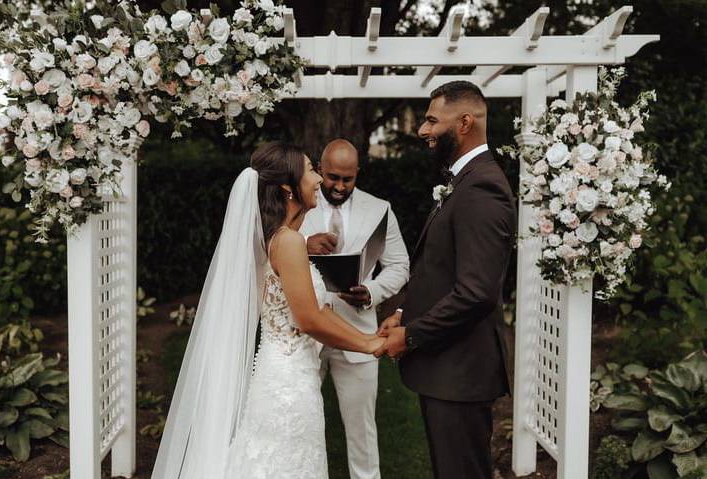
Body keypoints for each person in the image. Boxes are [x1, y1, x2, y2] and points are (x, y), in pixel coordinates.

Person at [152, 142, 386, 479]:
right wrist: (369, 345)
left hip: (288, 376)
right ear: (288, 187)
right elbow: (309, 319)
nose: (318, 178)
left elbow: (316, 309)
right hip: (287, 387)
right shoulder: (289, 242)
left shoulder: (282, 238)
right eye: (311, 170)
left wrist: (369, 337)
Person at [376, 81, 516, 479]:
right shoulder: (464, 180)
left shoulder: (482, 189)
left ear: (465, 122)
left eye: (432, 120)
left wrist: (412, 335)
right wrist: (404, 311)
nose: (423, 130)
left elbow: (476, 293)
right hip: (448, 371)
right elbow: (441, 270)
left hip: (461, 373)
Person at [301, 139, 410, 479]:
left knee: (362, 431)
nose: (339, 186)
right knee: (300, 423)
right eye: (332, 177)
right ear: (320, 170)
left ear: (357, 173)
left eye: (348, 179)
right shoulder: (298, 203)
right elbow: (270, 251)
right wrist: (304, 246)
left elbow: (400, 266)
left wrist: (372, 292)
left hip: (359, 330)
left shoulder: (380, 208)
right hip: (305, 333)